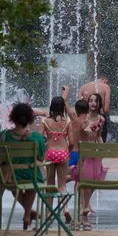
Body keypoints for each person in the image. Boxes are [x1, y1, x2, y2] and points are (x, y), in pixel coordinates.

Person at [0, 103, 46, 230]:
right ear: (30, 119)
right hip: (31, 176)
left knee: (13, 181)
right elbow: (41, 158)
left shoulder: (3, 136)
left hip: (9, 177)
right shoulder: (37, 137)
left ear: (13, 117)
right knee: (33, 180)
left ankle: (27, 212)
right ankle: (27, 214)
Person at [39, 87, 74, 223]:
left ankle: (48, 212)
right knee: (62, 185)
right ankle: (65, 209)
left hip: (50, 153)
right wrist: (68, 152)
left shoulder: (45, 122)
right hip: (63, 153)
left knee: (50, 183)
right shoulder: (67, 122)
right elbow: (71, 142)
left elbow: (39, 138)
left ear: (52, 107)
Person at [73, 94, 107, 219]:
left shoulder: (101, 119)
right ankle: (84, 204)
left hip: (94, 151)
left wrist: (102, 150)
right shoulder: (83, 118)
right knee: (83, 179)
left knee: (95, 180)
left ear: (98, 103)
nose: (93, 103)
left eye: (95, 101)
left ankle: (86, 203)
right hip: (83, 152)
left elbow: (98, 136)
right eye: (90, 101)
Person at [79, 76, 111, 142]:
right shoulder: (105, 87)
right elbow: (106, 109)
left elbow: (79, 106)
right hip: (99, 118)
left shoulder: (83, 87)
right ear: (105, 80)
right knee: (100, 137)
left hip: (84, 119)